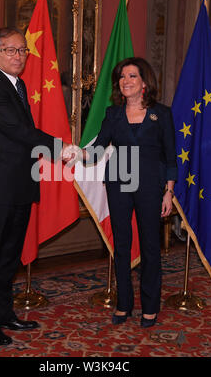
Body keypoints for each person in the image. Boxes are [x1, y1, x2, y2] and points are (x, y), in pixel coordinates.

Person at [0, 27, 72, 346]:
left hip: (19, 186)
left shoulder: (20, 84)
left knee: (9, 257)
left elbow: (23, 135)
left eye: (22, 50)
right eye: (11, 50)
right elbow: (18, 131)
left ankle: (3, 313)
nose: (18, 56)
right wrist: (61, 148)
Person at [69, 57, 177, 327]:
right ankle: (124, 304)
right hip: (118, 182)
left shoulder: (161, 114)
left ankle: (150, 307)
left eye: (132, 76)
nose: (125, 81)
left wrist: (169, 192)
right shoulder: (113, 114)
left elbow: (171, 158)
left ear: (144, 82)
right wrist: (77, 151)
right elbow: (97, 150)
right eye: (122, 77)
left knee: (151, 247)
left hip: (151, 187)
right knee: (122, 246)